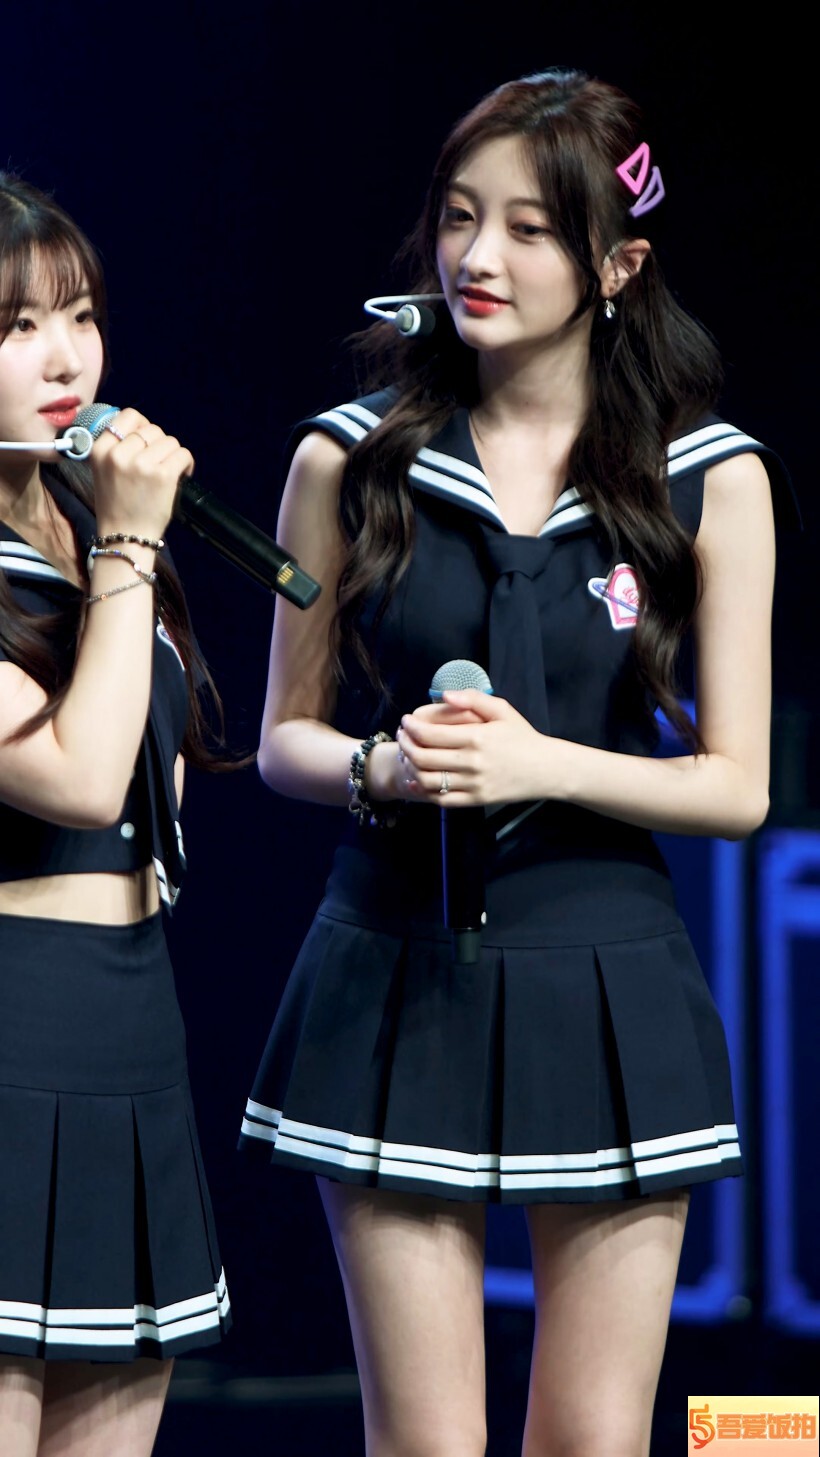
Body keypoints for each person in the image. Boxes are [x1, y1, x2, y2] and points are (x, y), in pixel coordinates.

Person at [238, 68, 795, 1456]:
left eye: (530, 229)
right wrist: (383, 768)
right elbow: (285, 739)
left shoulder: (710, 477)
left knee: (592, 1439)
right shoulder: (349, 461)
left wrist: (545, 764)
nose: (476, 256)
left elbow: (736, 786)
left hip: (609, 981)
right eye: (458, 216)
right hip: (392, 970)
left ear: (618, 265)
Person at [0, 172, 232, 1457]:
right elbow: (84, 780)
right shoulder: (117, 544)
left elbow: (158, 781)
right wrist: (132, 549)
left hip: (133, 1024)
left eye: (80, 315)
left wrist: (123, 544)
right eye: (18, 325)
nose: (65, 357)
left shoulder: (95, 527)